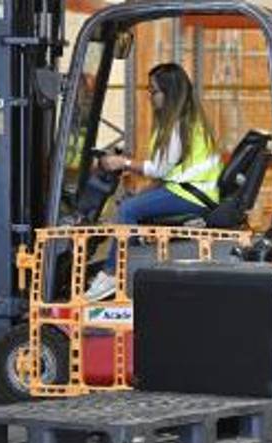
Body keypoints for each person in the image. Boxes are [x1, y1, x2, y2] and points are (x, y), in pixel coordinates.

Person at [84, 63, 222, 301]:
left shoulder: (180, 123)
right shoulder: (180, 121)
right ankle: (133, 267)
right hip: (188, 190)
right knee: (131, 205)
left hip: (194, 194)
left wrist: (122, 163)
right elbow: (166, 173)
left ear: (170, 92)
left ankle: (112, 274)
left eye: (154, 90)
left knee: (128, 209)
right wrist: (142, 193)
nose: (150, 96)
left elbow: (159, 168)